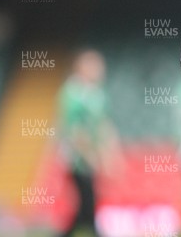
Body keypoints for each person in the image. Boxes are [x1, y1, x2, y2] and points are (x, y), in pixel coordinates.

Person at [58, 49, 121, 237]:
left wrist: (111, 155)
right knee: (88, 199)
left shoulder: (96, 94)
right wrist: (89, 156)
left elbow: (103, 125)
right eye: (94, 65)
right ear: (81, 67)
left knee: (86, 204)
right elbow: (74, 130)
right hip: (76, 158)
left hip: (89, 156)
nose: (99, 69)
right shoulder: (73, 92)